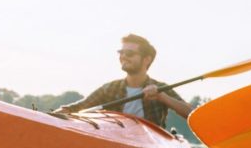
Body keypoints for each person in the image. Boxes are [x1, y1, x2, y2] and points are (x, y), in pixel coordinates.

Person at [60, 34, 192, 128]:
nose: (123, 57)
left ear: (147, 59)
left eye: (129, 53)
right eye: (121, 52)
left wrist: (163, 97)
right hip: (117, 138)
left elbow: (191, 114)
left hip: (152, 143)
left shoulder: (160, 88)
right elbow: (78, 108)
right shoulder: (110, 88)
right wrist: (47, 116)